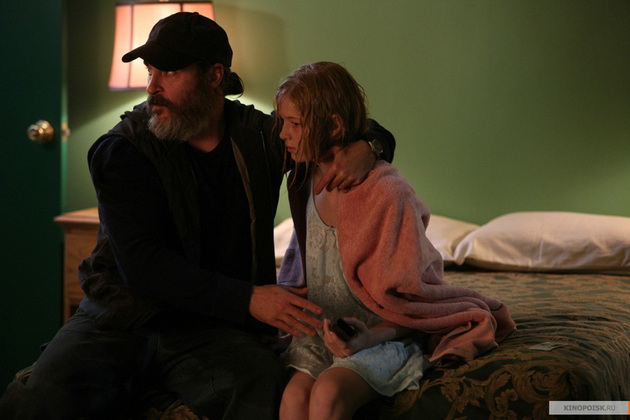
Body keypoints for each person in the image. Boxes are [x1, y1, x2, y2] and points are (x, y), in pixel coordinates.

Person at [0, 13, 396, 420]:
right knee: (34, 403)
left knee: (263, 383)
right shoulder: (123, 150)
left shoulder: (259, 137)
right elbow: (143, 265)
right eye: (150, 71)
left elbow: (332, 129)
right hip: (119, 320)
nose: (152, 87)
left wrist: (369, 146)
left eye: (169, 72)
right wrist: (250, 299)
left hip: (210, 330)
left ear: (214, 76)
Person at [274, 62, 516, 420]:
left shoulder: (387, 193)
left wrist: (368, 338)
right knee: (293, 400)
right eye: (282, 122)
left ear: (335, 126)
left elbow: (411, 301)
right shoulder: (301, 181)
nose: (282, 133)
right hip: (322, 334)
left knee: (328, 393)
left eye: (294, 124)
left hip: (381, 335)